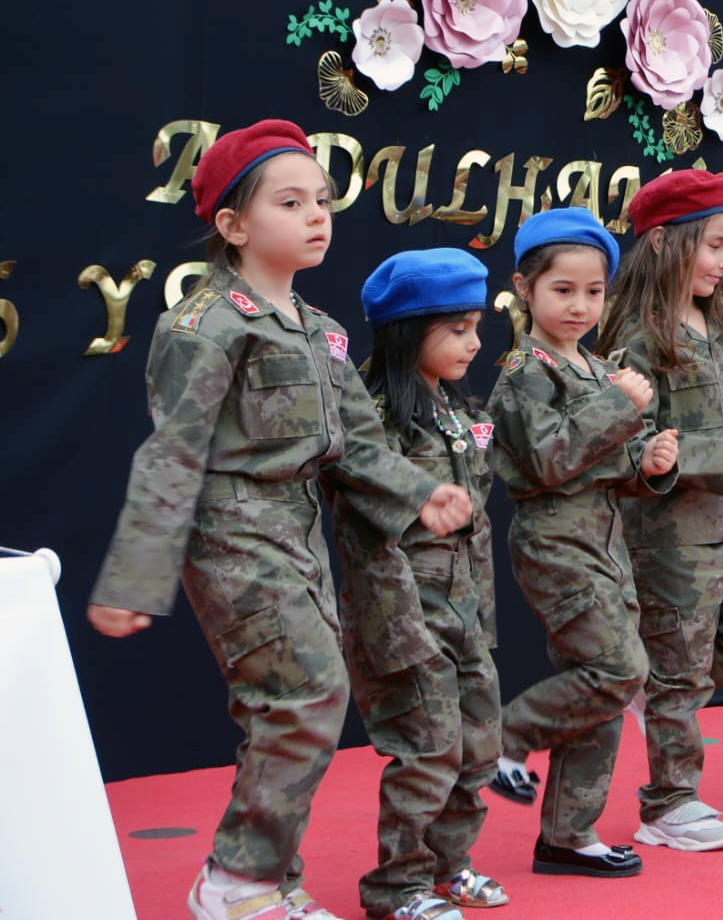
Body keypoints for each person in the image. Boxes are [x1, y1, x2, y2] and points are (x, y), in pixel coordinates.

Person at [86, 120, 473, 920]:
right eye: (290, 201)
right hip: (232, 536)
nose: (316, 216)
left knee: (291, 704)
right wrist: (134, 577)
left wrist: (415, 491)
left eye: (323, 200)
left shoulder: (323, 331)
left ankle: (271, 881)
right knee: (307, 695)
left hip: (295, 538)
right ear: (232, 226)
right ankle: (235, 880)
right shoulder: (206, 324)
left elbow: (357, 444)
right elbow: (172, 454)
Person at [598, 170, 723, 852]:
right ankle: (670, 802)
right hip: (672, 539)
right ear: (663, 243)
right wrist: (710, 460)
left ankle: (650, 683)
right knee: (682, 672)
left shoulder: (719, 324)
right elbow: (620, 442)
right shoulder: (635, 337)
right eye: (712, 244)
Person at [487, 206, 676, 879]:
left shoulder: (595, 367)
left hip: (603, 541)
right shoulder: (524, 371)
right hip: (555, 541)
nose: (579, 305)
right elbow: (545, 462)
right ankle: (505, 738)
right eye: (562, 289)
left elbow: (598, 464)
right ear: (524, 288)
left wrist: (646, 463)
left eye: (593, 291)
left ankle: (569, 833)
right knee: (619, 670)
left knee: (600, 689)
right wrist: (621, 409)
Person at [339, 250, 507, 918]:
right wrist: (398, 624)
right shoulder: (375, 415)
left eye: (475, 326)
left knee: (478, 745)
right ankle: (397, 885)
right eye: (457, 328)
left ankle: (448, 865)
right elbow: (363, 527)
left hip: (464, 608)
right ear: (409, 329)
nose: (474, 342)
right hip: (404, 607)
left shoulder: (453, 407)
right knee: (428, 749)